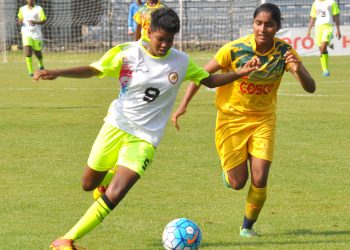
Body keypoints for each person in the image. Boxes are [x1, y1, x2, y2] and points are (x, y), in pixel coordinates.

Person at [34, 8, 260, 249]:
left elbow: (207, 79)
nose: (165, 45)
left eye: (170, 40)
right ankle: (105, 180)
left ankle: (66, 239)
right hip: (116, 126)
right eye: (160, 39)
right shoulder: (127, 53)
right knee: (88, 184)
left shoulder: (181, 61)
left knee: (119, 191)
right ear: (149, 31)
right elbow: (94, 69)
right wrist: (57, 72)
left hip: (146, 138)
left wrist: (239, 73)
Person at [172, 3, 316, 238]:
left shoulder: (284, 53)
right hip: (231, 120)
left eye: (269, 24)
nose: (263, 28)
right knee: (238, 182)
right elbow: (201, 76)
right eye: (258, 23)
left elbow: (310, 88)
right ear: (253, 24)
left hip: (263, 121)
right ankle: (230, 174)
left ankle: (247, 227)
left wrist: (298, 69)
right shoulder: (234, 50)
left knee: (260, 177)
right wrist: (182, 106)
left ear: (277, 27)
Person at [306, 0, 341, 77]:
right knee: (321, 49)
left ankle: (325, 70)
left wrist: (338, 30)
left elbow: (336, 16)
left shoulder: (332, 2)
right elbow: (313, 17)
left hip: (328, 27)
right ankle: (325, 70)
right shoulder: (315, 3)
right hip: (318, 27)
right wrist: (309, 30)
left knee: (323, 47)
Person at [17, 0, 46, 76]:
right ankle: (30, 72)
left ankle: (41, 64)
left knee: (38, 52)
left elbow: (44, 20)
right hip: (26, 33)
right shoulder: (22, 9)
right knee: (28, 52)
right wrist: (20, 21)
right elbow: (20, 18)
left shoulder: (39, 9)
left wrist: (35, 22)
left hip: (36, 34)